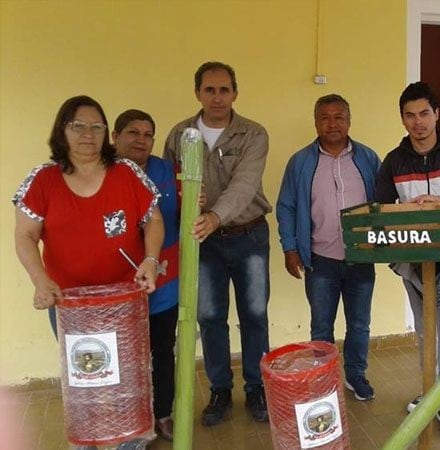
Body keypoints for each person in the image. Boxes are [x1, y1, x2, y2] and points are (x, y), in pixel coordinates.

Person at [13, 95, 163, 450]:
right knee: (88, 374)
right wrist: (40, 280)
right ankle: (88, 440)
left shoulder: (126, 173)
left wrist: (151, 259)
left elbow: (152, 220)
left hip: (124, 300)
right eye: (78, 126)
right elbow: (24, 235)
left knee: (128, 375)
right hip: (70, 305)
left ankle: (129, 440)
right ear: (62, 130)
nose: (88, 134)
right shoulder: (43, 180)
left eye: (96, 127)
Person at [163, 61, 272, 424]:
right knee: (210, 318)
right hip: (201, 243)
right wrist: (186, 202)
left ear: (235, 93)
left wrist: (214, 215)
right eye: (209, 90)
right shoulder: (180, 135)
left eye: (224, 89)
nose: (217, 97)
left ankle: (257, 389)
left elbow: (245, 185)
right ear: (197, 93)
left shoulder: (253, 134)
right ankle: (220, 390)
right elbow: (170, 187)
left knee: (254, 316)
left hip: (249, 236)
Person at [374, 81, 440, 438]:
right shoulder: (393, 161)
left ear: (437, 114)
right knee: (424, 330)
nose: (417, 122)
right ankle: (431, 391)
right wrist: (406, 208)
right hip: (413, 264)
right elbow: (382, 209)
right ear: (402, 119)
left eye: (424, 114)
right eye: (409, 115)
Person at [276, 94, 381, 401]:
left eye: (339, 117)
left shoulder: (368, 158)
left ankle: (356, 375)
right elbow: (287, 207)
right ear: (316, 122)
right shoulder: (301, 162)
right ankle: (322, 380)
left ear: (349, 121)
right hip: (320, 259)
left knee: (360, 323)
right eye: (325, 117)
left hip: (361, 256)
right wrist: (290, 247)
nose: (332, 123)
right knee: (321, 325)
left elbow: (383, 201)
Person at [112, 109, 178, 441]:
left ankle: (163, 414)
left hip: (163, 281)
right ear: (115, 137)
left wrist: (198, 200)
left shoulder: (166, 170)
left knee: (163, 350)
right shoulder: (102, 172)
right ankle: (133, 424)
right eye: (133, 133)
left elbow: (184, 207)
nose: (141, 140)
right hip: (117, 286)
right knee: (125, 358)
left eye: (148, 134)